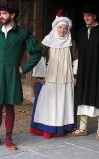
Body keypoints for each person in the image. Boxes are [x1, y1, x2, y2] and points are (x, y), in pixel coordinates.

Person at [0, 2, 42, 151]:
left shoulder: (23, 33)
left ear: (12, 15)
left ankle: (9, 138)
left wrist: (25, 68)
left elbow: (37, 52)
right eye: (0, 13)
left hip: (12, 75)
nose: (0, 16)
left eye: (4, 13)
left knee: (9, 106)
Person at [68, 5, 99, 140]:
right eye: (84, 16)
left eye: (89, 16)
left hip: (98, 71)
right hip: (83, 72)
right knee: (82, 97)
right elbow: (75, 54)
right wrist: (75, 72)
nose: (86, 18)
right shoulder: (80, 33)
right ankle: (82, 128)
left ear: (95, 17)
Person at [29, 9, 78, 138]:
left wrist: (75, 75)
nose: (62, 30)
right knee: (49, 102)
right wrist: (40, 75)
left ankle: (62, 127)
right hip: (50, 76)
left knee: (64, 102)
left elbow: (76, 60)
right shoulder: (47, 41)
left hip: (66, 77)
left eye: (65, 28)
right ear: (56, 28)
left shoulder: (71, 43)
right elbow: (39, 57)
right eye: (60, 27)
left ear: (68, 30)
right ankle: (47, 128)